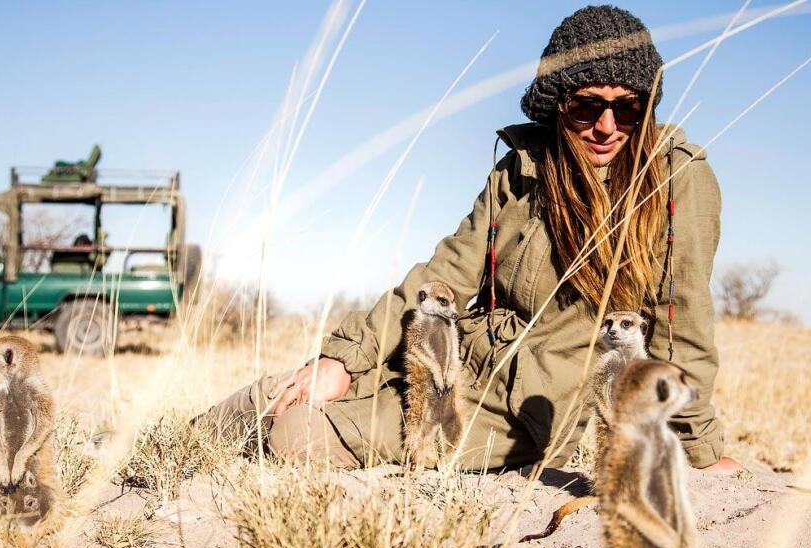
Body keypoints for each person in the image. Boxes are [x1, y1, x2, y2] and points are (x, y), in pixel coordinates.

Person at [202, 5, 740, 474]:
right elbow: (446, 274)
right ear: (558, 104)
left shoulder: (677, 180)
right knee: (275, 393)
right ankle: (148, 450)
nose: (606, 125)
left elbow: (682, 321)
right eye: (586, 105)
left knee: (297, 435)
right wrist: (344, 362)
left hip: (527, 408)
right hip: (459, 357)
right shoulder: (522, 168)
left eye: (627, 107)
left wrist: (697, 446)